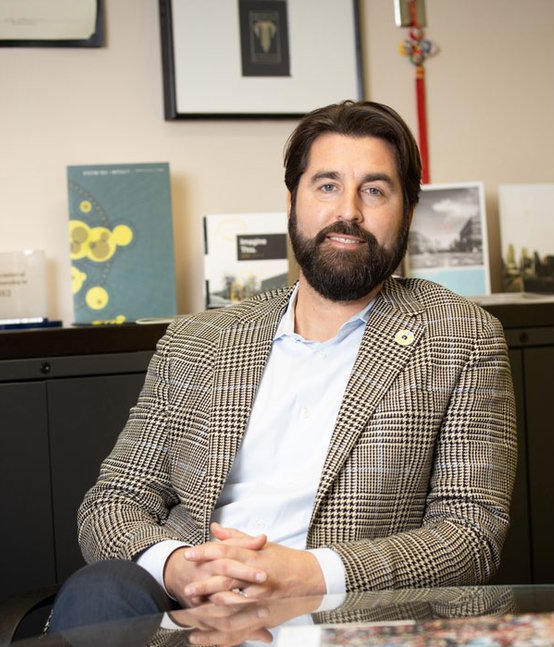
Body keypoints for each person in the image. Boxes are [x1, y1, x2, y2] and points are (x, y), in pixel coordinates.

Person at [48, 99, 517, 632]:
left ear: (407, 211)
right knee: (99, 594)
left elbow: (471, 533)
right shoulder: (199, 340)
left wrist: (309, 573)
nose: (350, 212)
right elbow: (114, 501)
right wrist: (180, 568)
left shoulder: (459, 337)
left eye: (375, 190)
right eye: (327, 185)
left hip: (346, 621)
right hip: (189, 617)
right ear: (292, 202)